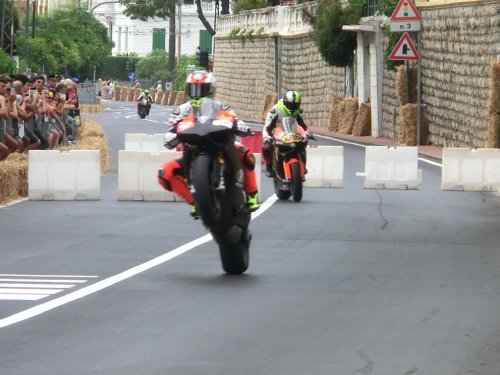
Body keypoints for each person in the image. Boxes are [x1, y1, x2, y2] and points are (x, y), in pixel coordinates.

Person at [157, 70, 259, 218]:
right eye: (193, 89)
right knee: (164, 172)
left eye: (201, 89)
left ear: (211, 89)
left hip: (220, 144)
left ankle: (252, 194)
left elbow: (236, 120)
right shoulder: (180, 110)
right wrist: (171, 137)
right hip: (192, 150)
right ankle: (194, 202)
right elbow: (170, 130)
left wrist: (241, 127)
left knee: (245, 153)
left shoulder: (223, 107)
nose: (197, 93)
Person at [262, 90, 312, 177]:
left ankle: (303, 165)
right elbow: (267, 127)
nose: (293, 108)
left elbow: (304, 125)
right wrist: (266, 136)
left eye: (295, 105)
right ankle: (269, 165)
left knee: (304, 142)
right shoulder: (275, 110)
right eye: (291, 105)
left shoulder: (299, 112)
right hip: (277, 132)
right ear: (285, 102)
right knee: (266, 146)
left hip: (293, 133)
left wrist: (308, 132)